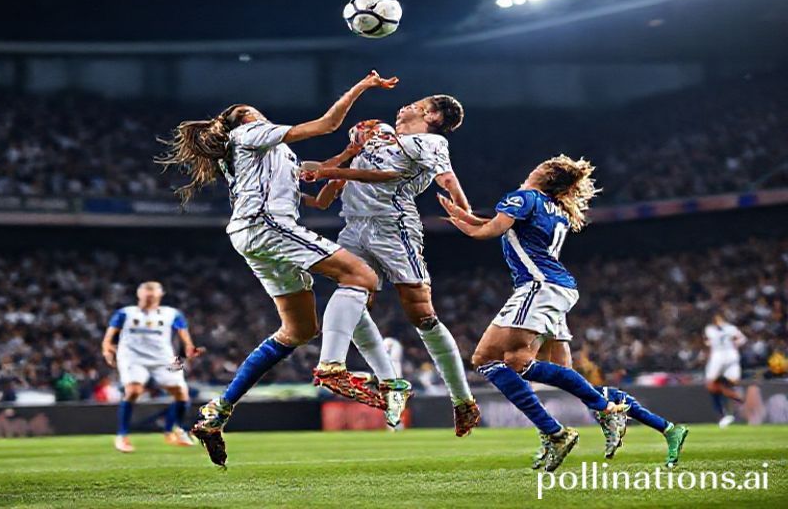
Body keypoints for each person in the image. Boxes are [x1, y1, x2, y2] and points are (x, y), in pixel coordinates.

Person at [156, 70, 399, 467]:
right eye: (253, 110)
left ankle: (217, 412)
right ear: (243, 119)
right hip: (267, 226)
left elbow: (315, 192)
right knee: (363, 276)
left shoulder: (272, 153)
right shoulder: (249, 135)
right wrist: (363, 86)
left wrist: (346, 158)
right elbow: (326, 125)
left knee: (298, 330)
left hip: (254, 232)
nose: (260, 113)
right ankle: (332, 366)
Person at [438, 154, 688, 468]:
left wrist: (466, 223)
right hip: (558, 289)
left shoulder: (523, 197)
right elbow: (494, 226)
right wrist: (466, 218)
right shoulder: (555, 208)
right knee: (563, 375)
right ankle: (664, 427)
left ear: (542, 173)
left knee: (490, 361)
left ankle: (567, 427)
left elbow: (488, 231)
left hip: (538, 286)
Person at [302, 104, 480, 436]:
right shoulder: (378, 138)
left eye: (418, 106)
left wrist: (466, 212)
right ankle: (341, 368)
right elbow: (323, 197)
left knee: (422, 316)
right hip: (354, 227)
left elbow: (444, 178)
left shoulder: (429, 143)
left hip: (393, 229)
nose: (406, 108)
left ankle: (463, 401)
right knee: (351, 290)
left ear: (434, 118)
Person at [101, 281, 203, 452]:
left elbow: (184, 335)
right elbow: (109, 336)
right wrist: (106, 348)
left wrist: (189, 348)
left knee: (182, 393)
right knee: (133, 391)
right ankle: (122, 436)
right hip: (132, 356)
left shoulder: (172, 314)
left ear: (160, 295)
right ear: (139, 294)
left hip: (166, 357)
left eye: (153, 294)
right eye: (147, 294)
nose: (149, 297)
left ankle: (174, 430)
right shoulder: (125, 313)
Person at [704, 313, 747, 427]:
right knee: (712, 385)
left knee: (731, 383)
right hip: (724, 356)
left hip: (722, 356)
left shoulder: (715, 329)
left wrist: (734, 344)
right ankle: (727, 412)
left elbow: (707, 342)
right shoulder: (728, 329)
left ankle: (731, 409)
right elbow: (742, 339)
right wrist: (735, 343)